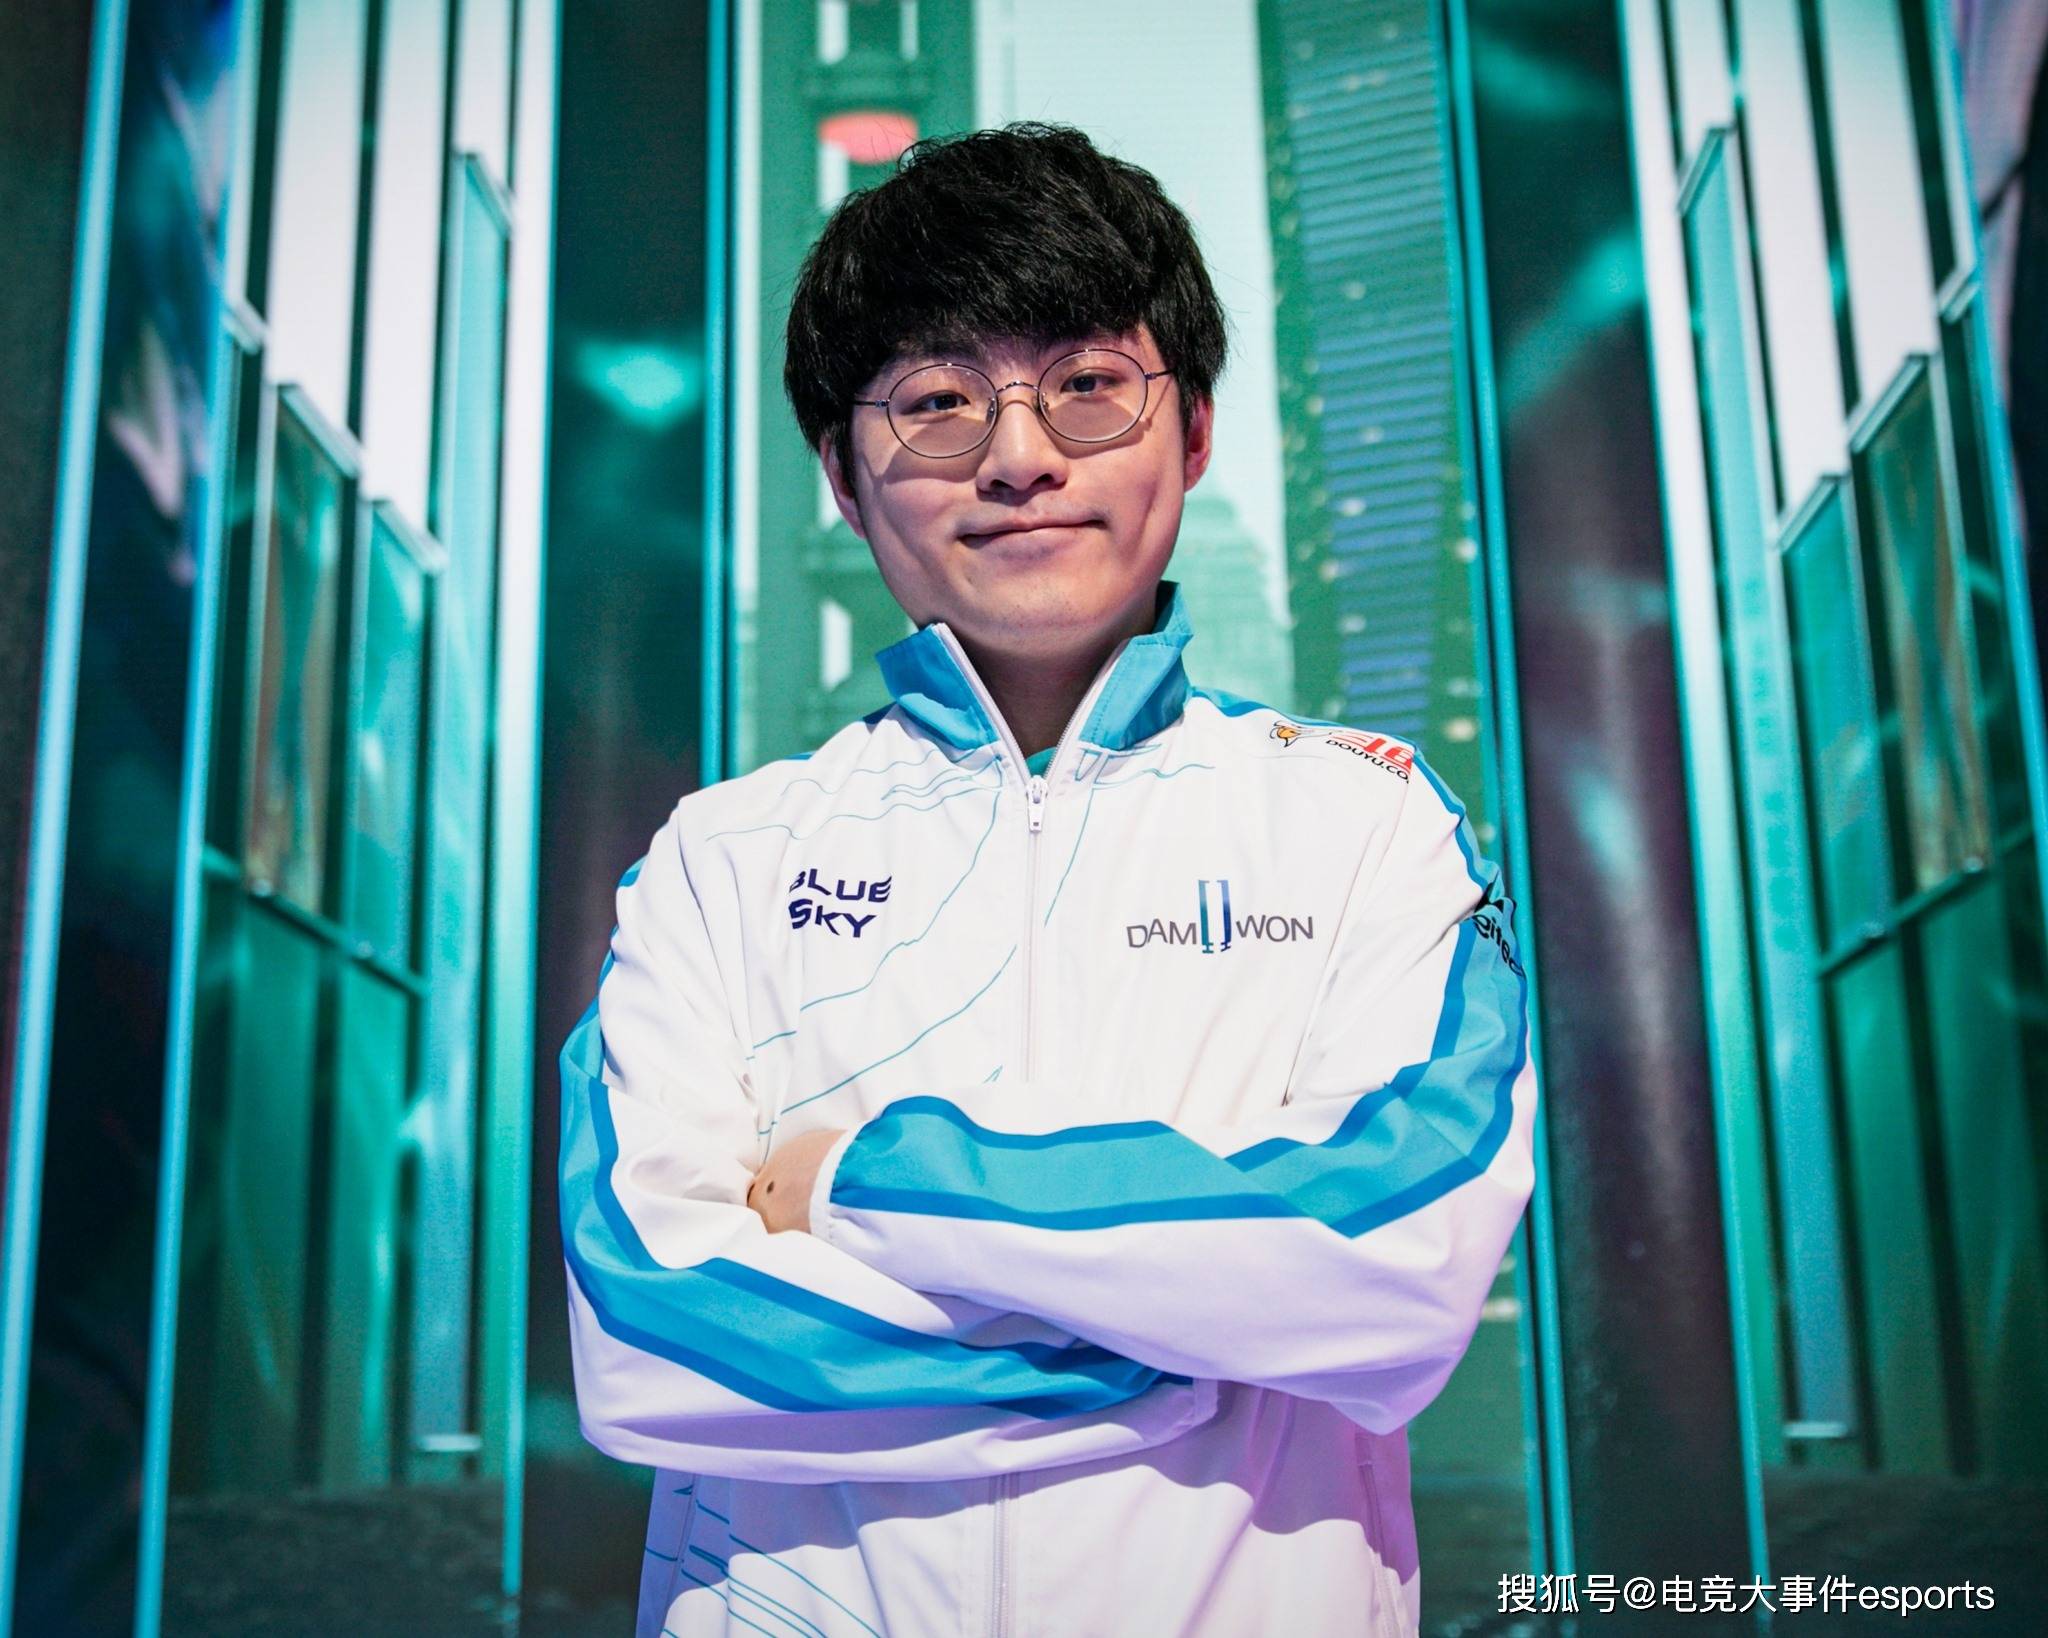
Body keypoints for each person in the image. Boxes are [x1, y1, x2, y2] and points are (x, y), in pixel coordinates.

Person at [559, 121, 1537, 1638]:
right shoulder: (720, 860)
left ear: (1192, 432)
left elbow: (1392, 1265)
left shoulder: (1367, 822)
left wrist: (856, 1180)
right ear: (843, 477)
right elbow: (650, 1338)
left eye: (1086, 384)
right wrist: (1197, 1348)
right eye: (939, 402)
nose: (1019, 456)